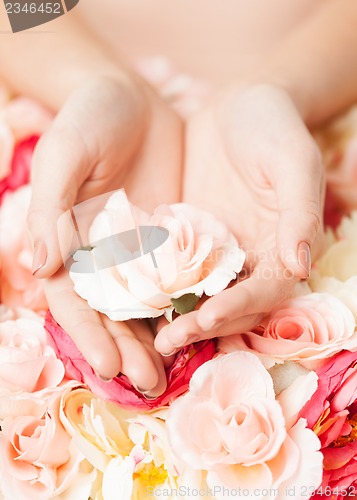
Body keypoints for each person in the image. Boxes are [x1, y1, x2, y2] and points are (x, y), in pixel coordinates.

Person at [1, 0, 356, 398]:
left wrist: (281, 87)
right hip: (60, 75)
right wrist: (91, 80)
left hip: (319, 87)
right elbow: (14, 7)